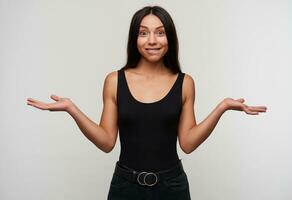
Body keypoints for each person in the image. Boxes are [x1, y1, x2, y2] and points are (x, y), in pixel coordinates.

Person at [26, 5, 267, 200]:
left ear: (169, 38)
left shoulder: (184, 83)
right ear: (135, 38)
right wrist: (71, 109)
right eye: (143, 33)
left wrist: (222, 107)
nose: (152, 40)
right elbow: (107, 142)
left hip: (172, 187)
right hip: (125, 187)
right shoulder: (114, 80)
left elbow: (188, 143)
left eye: (160, 32)